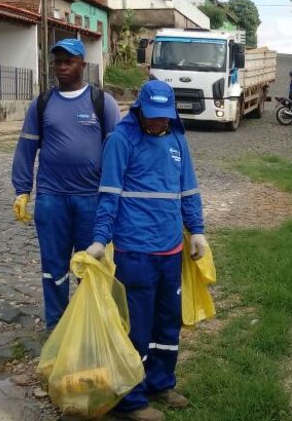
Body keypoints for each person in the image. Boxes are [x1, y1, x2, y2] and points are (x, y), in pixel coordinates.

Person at [86, 80, 209, 421]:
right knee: (136, 327)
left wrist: (196, 230)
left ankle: (161, 383)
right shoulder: (120, 141)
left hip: (170, 251)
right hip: (134, 251)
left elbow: (189, 190)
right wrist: (100, 239)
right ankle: (132, 399)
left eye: (164, 116)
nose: (158, 122)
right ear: (139, 110)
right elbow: (108, 195)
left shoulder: (177, 141)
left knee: (167, 323)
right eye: (153, 116)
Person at [11, 38, 121, 329]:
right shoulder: (42, 103)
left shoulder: (102, 102)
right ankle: (57, 327)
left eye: (68, 61)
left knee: (91, 265)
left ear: (83, 65)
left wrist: (117, 194)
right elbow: (26, 147)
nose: (61, 67)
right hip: (51, 198)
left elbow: (118, 152)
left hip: (91, 199)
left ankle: (93, 327)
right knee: (53, 268)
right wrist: (23, 190)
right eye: (57, 61)